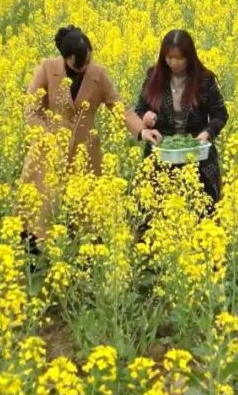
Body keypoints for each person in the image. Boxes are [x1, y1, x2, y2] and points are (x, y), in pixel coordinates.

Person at [21, 26, 145, 239]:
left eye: (89, 60)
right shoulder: (47, 68)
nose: (87, 66)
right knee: (42, 205)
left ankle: (86, 256)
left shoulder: (99, 74)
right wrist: (47, 135)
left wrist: (142, 131)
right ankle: (35, 253)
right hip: (49, 148)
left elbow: (118, 106)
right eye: (81, 63)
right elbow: (32, 110)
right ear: (67, 58)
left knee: (86, 211)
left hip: (85, 150)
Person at [134, 29, 228, 203]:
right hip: (161, 154)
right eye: (169, 58)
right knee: (154, 213)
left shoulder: (205, 79)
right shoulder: (153, 75)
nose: (173, 62)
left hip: (198, 156)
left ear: (189, 56)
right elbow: (140, 109)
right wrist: (145, 118)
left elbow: (220, 114)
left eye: (179, 58)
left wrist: (207, 133)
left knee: (203, 211)